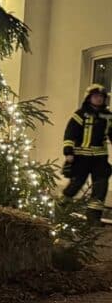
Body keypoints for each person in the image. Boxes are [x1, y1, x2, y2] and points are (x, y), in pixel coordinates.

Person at [62, 83, 112, 225]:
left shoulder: (108, 116)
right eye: (96, 96)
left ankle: (93, 218)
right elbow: (70, 133)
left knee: (101, 187)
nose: (99, 99)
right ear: (89, 98)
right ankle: (60, 209)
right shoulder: (79, 115)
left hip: (100, 159)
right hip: (81, 158)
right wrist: (68, 152)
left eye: (101, 97)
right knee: (75, 185)